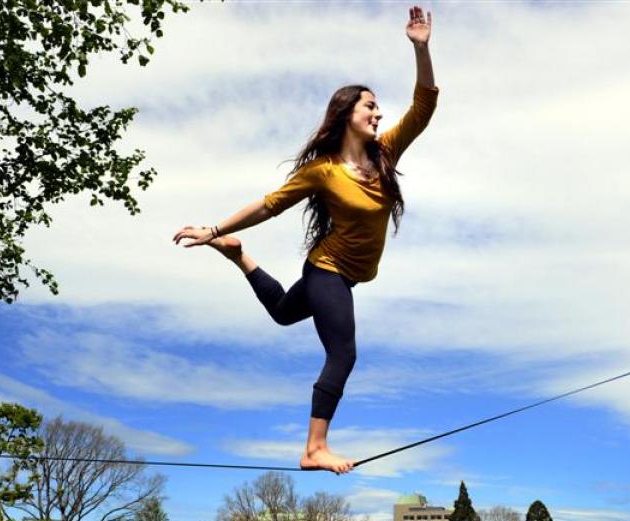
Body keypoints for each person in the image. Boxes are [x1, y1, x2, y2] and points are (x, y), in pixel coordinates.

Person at [173, 6, 437, 474]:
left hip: (345, 277)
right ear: (346, 115)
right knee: (344, 353)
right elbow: (270, 204)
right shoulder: (323, 171)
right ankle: (314, 447)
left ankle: (239, 259)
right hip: (328, 271)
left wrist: (421, 48)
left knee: (282, 314)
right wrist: (216, 228)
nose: (378, 113)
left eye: (378, 107)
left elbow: (424, 106)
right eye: (369, 106)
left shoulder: (385, 154)